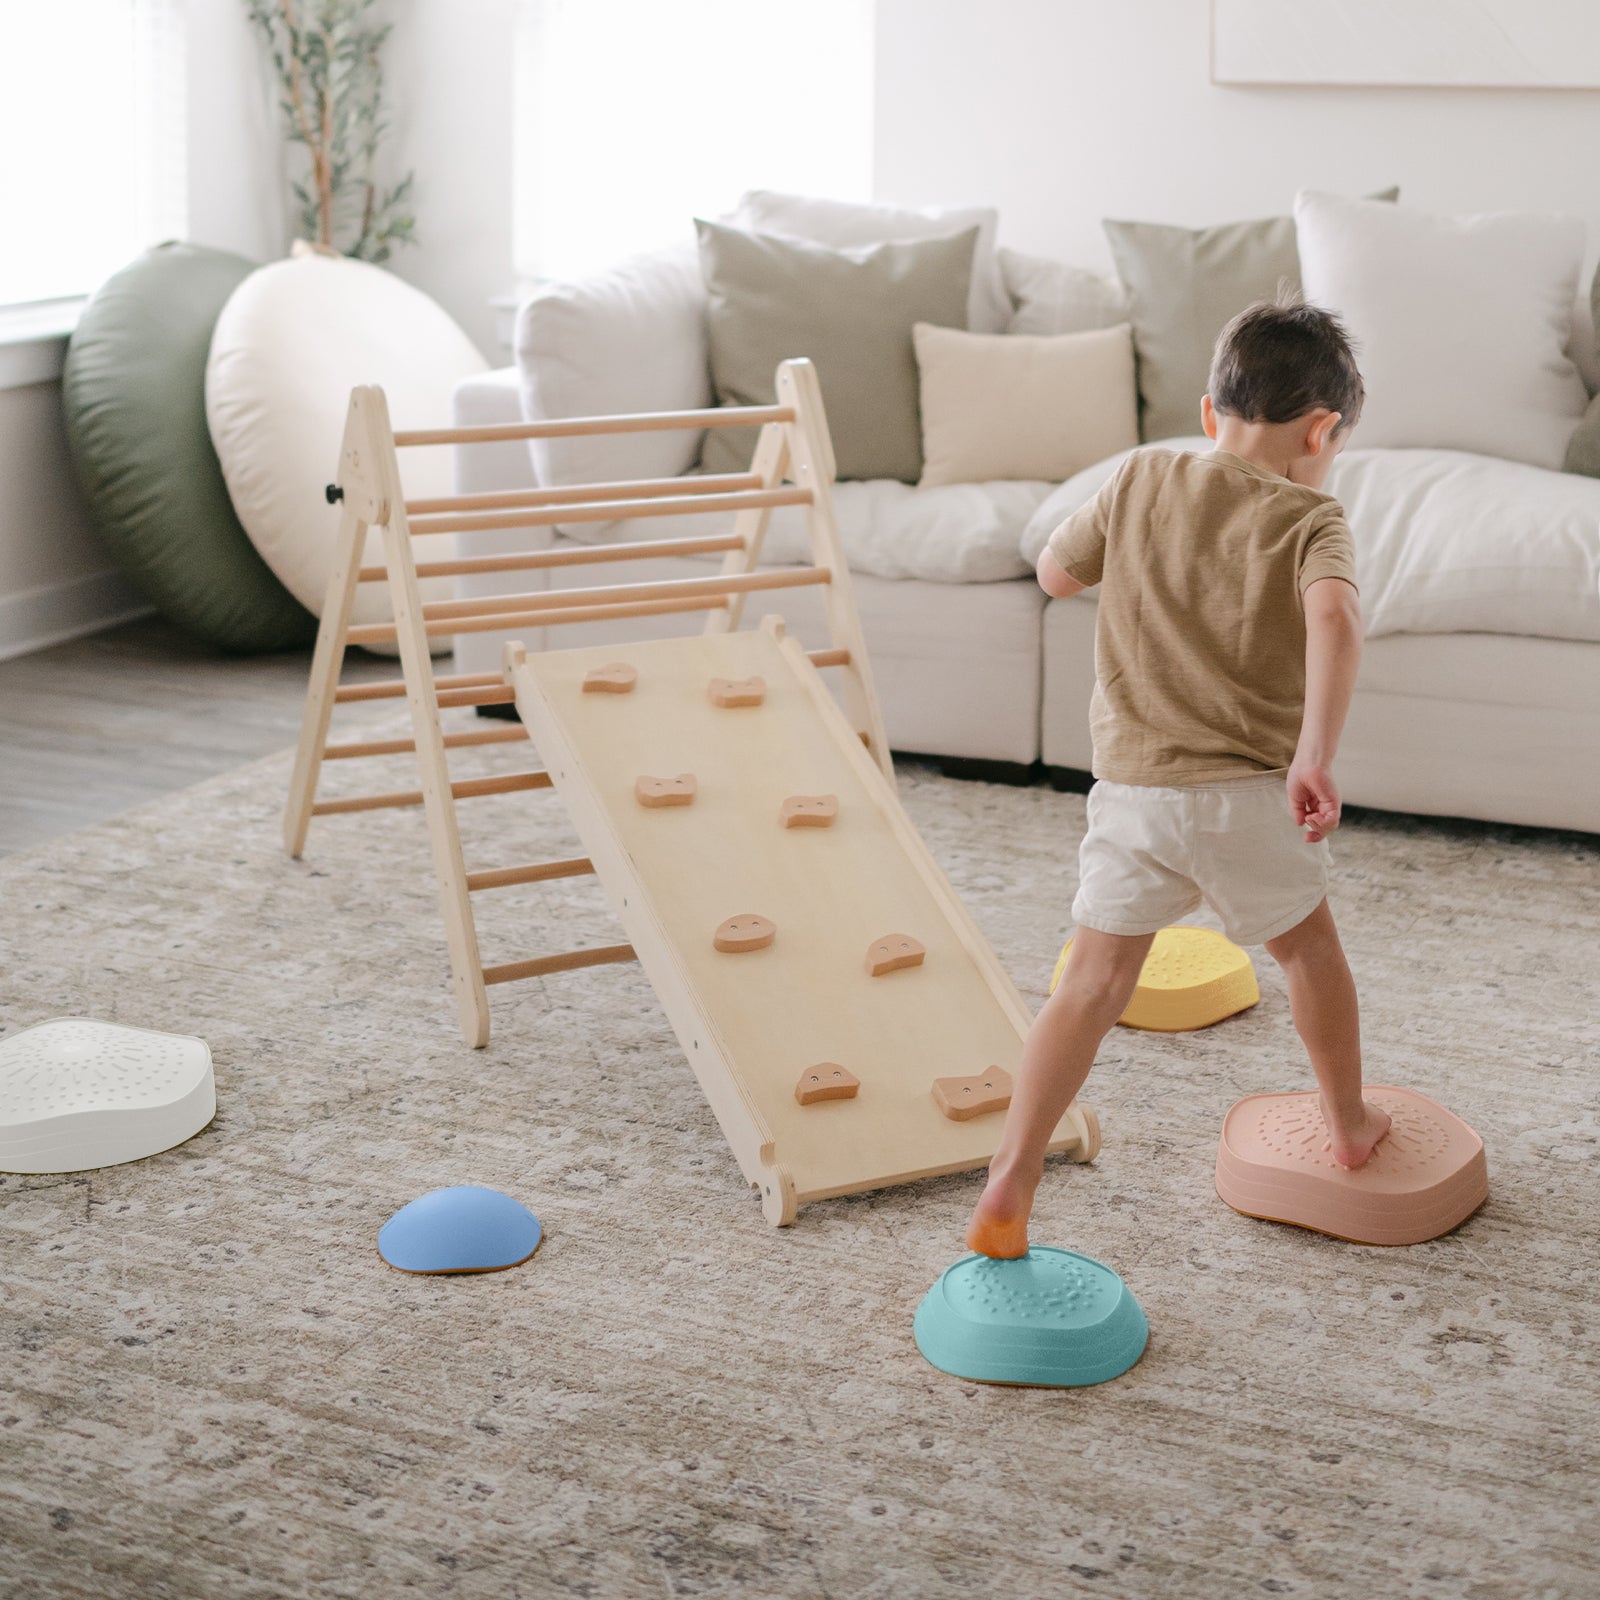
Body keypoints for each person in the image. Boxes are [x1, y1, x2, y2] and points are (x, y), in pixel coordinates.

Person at [967, 296, 1389, 1262]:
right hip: (1247, 793)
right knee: (1309, 955)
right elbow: (1336, 621)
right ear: (1322, 431)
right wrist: (1315, 755)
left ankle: (1014, 1165)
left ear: (1211, 413)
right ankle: (1350, 1122)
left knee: (1091, 982)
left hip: (1131, 794)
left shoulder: (1139, 476)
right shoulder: (1313, 517)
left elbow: (1053, 576)